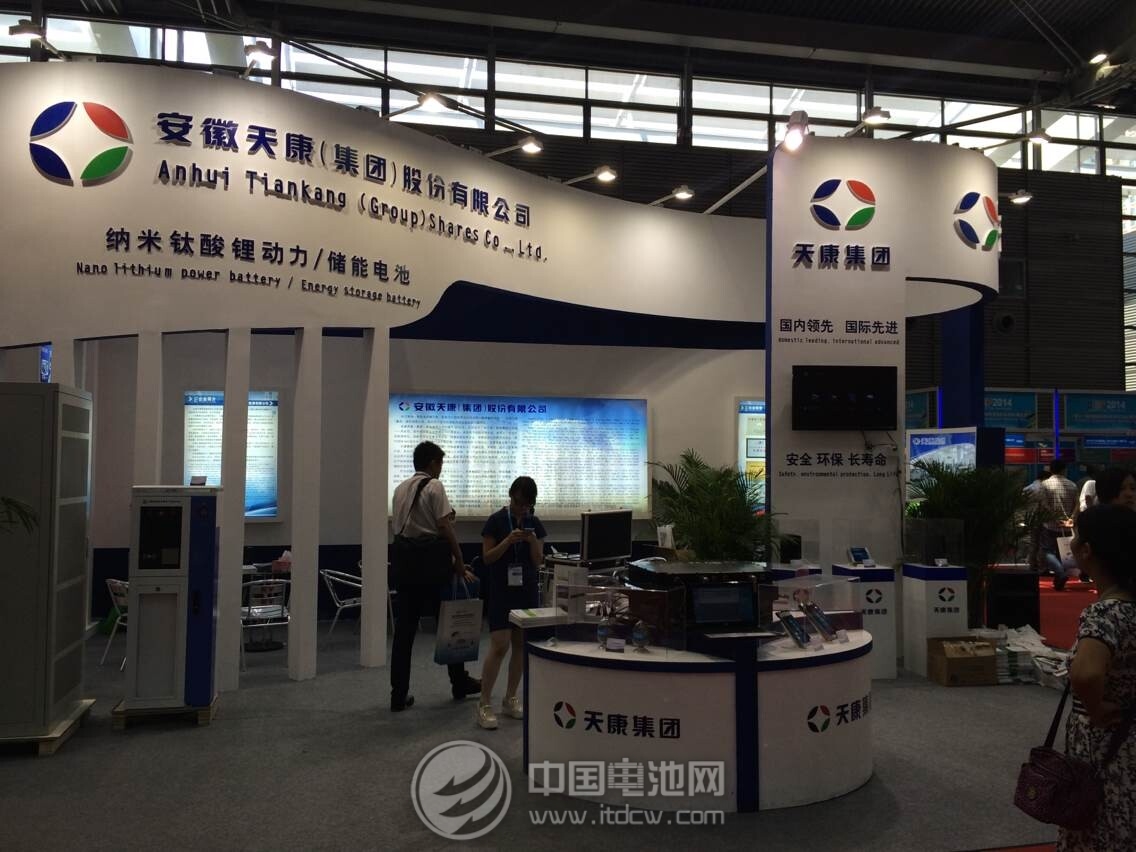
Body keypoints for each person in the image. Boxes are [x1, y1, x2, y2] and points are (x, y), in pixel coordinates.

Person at [1058, 503, 1136, 852]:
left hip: (1104, 740)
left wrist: (1096, 707)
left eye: (1076, 537)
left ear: (1088, 550)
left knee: (1097, 823)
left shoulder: (1105, 613)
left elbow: (1086, 673)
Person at [389, 441, 480, 712]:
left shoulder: (399, 489)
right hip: (433, 567)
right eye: (440, 463)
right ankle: (459, 683)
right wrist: (459, 560)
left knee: (404, 634)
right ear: (431, 463)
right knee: (450, 625)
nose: (441, 469)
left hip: (406, 566)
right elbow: (443, 527)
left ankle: (398, 694)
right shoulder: (435, 486)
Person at [476, 476, 546, 730]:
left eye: (527, 505)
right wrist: (508, 541)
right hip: (501, 591)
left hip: (526, 590)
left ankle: (510, 697)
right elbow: (487, 558)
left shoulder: (533, 523)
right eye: (518, 503)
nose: (522, 509)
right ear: (511, 496)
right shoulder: (496, 521)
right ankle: (484, 703)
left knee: (520, 645)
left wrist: (531, 541)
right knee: (499, 644)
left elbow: (538, 561)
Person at [1039, 459, 1079, 590]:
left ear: (1050, 470)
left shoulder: (1045, 484)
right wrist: (1071, 519)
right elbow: (1077, 505)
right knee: (1062, 553)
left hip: (1050, 525)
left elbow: (1044, 505)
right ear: (1064, 470)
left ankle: (1060, 573)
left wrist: (1055, 518)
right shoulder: (1072, 485)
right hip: (1066, 526)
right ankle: (1059, 581)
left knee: (1047, 551)